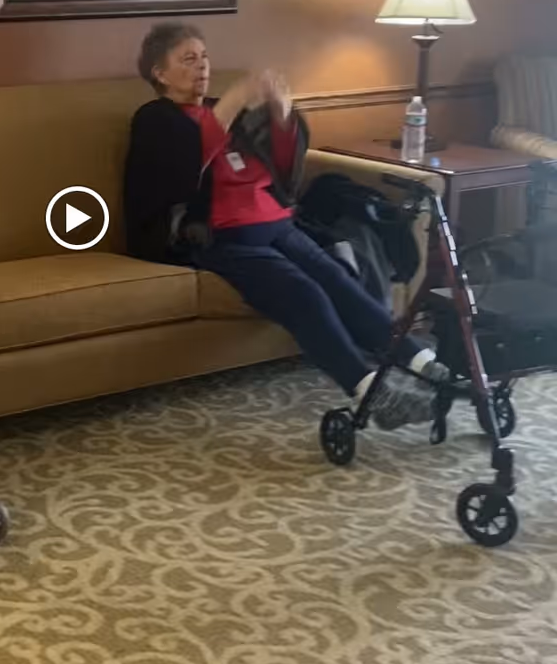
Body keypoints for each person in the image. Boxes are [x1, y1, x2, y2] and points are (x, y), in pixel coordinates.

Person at [124, 23, 445, 429]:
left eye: (204, 56)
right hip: (221, 235)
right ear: (159, 73)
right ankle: (369, 390)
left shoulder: (225, 110)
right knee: (304, 293)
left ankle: (423, 361)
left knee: (338, 279)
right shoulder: (153, 119)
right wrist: (234, 102)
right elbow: (186, 166)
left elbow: (281, 163)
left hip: (276, 223)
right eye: (188, 59)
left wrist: (281, 113)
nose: (202, 66)